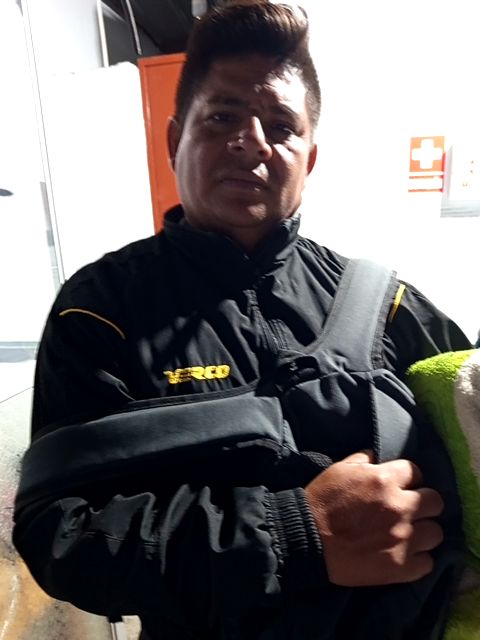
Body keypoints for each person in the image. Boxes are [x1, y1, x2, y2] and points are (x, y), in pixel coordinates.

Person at [13, 2, 472, 639]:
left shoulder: (387, 304)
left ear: (309, 159)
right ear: (175, 141)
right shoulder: (101, 308)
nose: (252, 141)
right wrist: (294, 533)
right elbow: (57, 534)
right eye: (223, 116)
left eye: (281, 126)